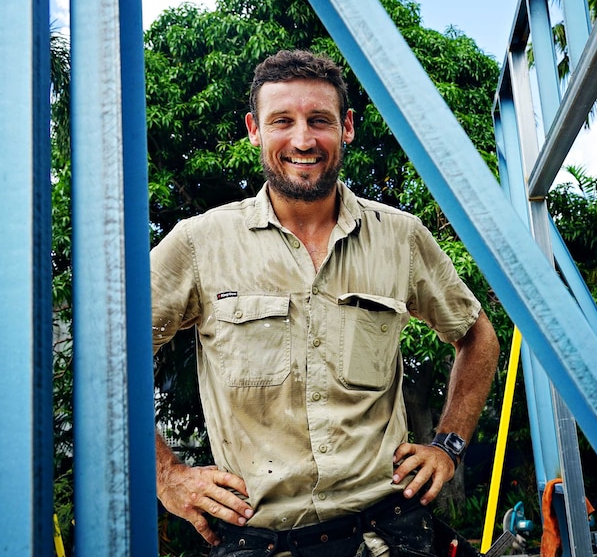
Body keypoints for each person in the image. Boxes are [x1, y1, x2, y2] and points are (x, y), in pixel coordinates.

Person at [151, 49, 500, 557]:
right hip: (262, 538)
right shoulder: (198, 243)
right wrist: (168, 474)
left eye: (319, 120)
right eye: (281, 121)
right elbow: (109, 357)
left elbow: (476, 335)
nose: (302, 139)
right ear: (254, 129)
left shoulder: (400, 237)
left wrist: (447, 445)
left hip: (388, 533)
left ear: (347, 127)